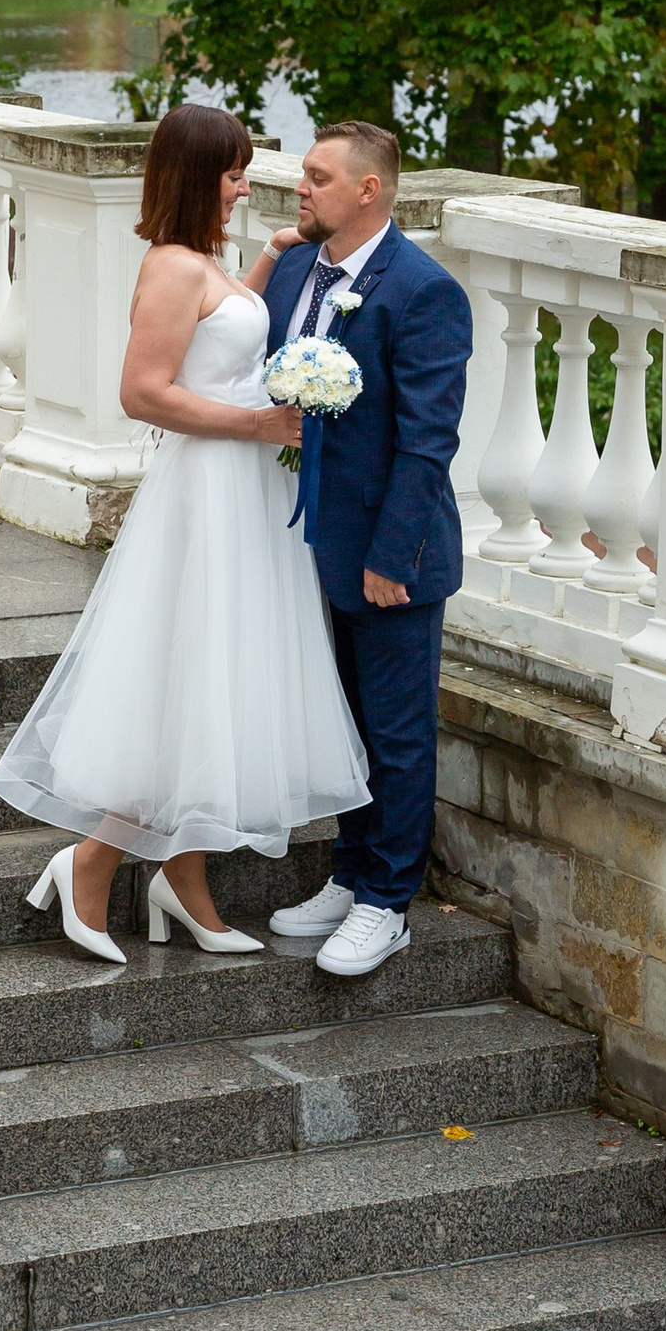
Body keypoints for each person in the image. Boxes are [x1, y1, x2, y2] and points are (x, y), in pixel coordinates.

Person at [0, 102, 370, 966]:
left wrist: (270, 260)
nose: (245, 185)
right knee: (184, 674)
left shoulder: (211, 261)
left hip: (242, 498)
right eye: (235, 172)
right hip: (205, 493)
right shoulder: (168, 266)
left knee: (220, 681)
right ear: (202, 175)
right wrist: (259, 429)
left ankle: (186, 878)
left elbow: (227, 352)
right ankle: (89, 864)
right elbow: (143, 392)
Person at [256, 120, 473, 979]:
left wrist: (392, 554)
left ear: (368, 190)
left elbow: (428, 441)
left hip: (390, 556)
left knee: (396, 728)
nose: (300, 188)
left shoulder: (423, 291)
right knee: (340, 720)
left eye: (316, 177)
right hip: (308, 540)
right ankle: (348, 874)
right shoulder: (302, 268)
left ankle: (388, 902)